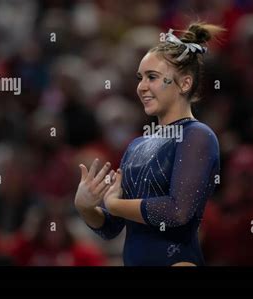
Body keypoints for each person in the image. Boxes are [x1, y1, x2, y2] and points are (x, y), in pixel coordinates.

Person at [74, 23, 224, 266]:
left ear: (184, 84)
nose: (141, 86)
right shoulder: (136, 145)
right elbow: (112, 227)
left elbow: (178, 211)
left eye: (152, 77)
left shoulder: (197, 135)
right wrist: (86, 207)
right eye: (140, 78)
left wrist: (114, 204)